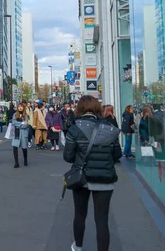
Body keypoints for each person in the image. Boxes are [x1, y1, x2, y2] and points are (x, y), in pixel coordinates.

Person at [63, 95, 121, 251]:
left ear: (79, 109)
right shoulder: (110, 129)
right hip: (105, 179)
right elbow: (117, 156)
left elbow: (68, 157)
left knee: (80, 215)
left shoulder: (74, 129)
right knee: (102, 220)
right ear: (97, 109)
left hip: (82, 179)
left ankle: (78, 246)